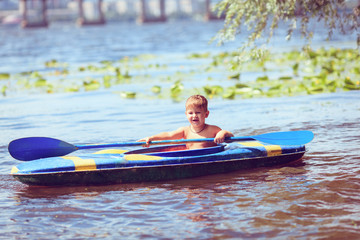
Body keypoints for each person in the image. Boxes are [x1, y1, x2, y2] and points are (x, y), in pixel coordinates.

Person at [138, 95, 234, 149]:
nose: (194, 116)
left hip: (208, 157)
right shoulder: (185, 131)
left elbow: (231, 136)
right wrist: (151, 138)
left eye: (198, 112)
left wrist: (222, 133)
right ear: (186, 114)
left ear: (206, 114)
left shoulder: (212, 129)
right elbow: (169, 135)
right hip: (191, 158)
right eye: (190, 113)